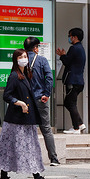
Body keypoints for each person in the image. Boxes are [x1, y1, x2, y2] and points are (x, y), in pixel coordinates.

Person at [0, 49, 54, 179]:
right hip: (16, 120)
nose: (24, 58)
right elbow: (6, 95)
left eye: (25, 56)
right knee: (11, 148)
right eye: (20, 56)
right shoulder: (15, 76)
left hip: (25, 119)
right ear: (15, 60)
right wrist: (19, 102)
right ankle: (6, 177)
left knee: (29, 148)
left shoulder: (26, 74)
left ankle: (36, 176)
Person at [24, 37, 60, 166]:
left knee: (26, 130)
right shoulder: (42, 60)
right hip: (40, 98)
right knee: (46, 129)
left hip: (25, 102)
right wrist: (47, 94)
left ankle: (27, 159)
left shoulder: (21, 61)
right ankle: (54, 158)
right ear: (35, 48)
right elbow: (49, 78)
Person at [56, 28, 86, 134]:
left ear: (75, 37)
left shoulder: (74, 48)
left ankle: (76, 128)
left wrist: (63, 55)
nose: (69, 38)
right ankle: (80, 124)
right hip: (78, 81)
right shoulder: (81, 48)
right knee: (69, 102)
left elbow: (67, 62)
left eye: (70, 36)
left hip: (73, 81)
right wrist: (64, 55)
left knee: (70, 103)